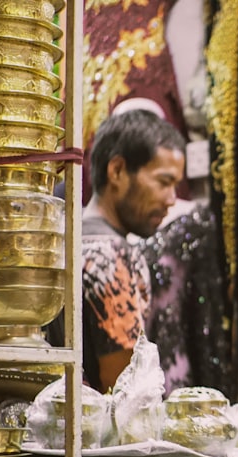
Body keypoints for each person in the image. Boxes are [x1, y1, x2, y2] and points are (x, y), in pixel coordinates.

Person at [80, 108, 186, 392]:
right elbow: (125, 390)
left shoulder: (67, 237)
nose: (172, 199)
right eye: (164, 182)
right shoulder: (113, 254)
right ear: (117, 171)